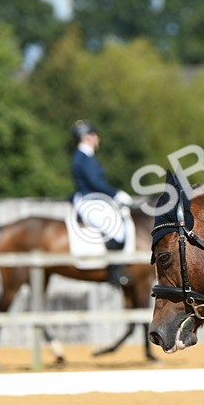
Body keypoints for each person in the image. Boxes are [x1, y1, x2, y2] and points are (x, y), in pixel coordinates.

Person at [69, 120, 132, 287]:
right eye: (95, 136)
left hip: (92, 199)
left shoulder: (84, 157)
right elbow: (95, 182)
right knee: (117, 229)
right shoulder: (83, 157)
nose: (98, 139)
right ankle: (114, 272)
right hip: (89, 200)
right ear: (88, 137)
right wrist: (116, 193)